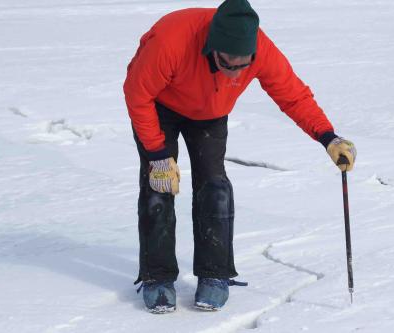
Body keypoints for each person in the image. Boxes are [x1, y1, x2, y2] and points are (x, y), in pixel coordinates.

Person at [123, 0, 356, 314]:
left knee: (214, 186)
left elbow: (292, 94)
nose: (235, 71)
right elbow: (138, 93)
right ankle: (157, 277)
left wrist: (328, 137)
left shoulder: (261, 48)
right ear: (212, 47)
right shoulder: (171, 41)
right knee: (159, 187)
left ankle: (214, 275)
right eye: (227, 64)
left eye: (242, 65)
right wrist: (157, 155)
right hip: (159, 107)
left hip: (210, 113)